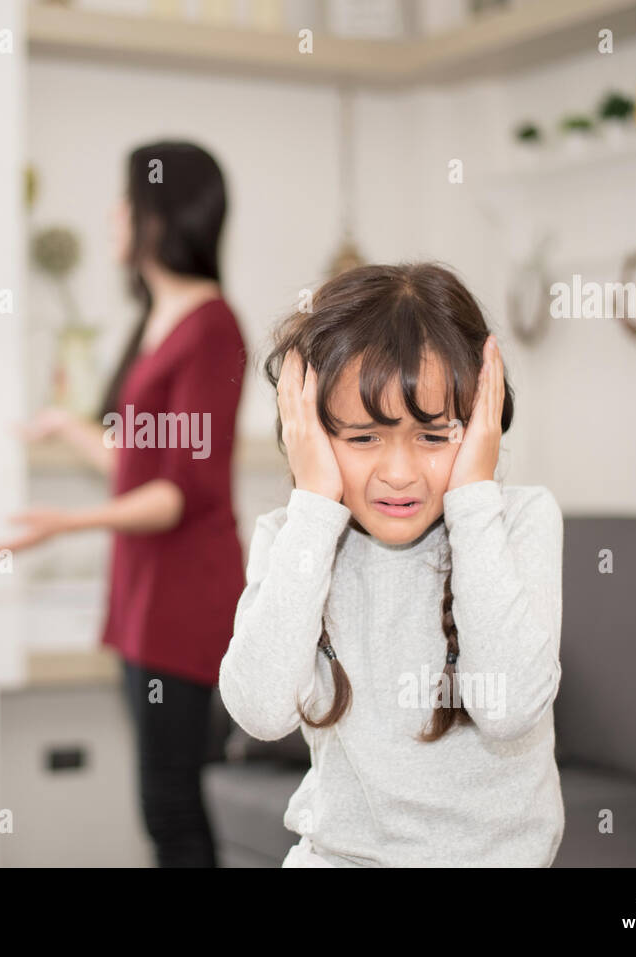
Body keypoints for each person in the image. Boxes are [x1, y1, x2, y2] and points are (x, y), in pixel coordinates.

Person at [221, 262, 564, 867]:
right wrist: (314, 508)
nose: (399, 473)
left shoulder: (516, 523)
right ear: (312, 435)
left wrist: (473, 500)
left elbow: (508, 709)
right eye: (363, 438)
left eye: (434, 437)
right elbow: (260, 711)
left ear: (482, 424)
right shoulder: (294, 536)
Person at [0, 141, 245, 867]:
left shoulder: (212, 328)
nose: (113, 214)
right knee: (161, 805)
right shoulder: (158, 321)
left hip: (186, 601)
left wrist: (67, 522)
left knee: (175, 807)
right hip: (142, 599)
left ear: (163, 214)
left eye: (127, 200)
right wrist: (69, 428)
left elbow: (178, 493)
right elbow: (137, 470)